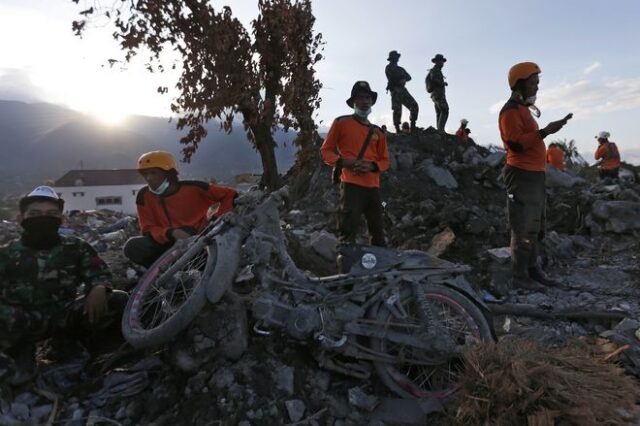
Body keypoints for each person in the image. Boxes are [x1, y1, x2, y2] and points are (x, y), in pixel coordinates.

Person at [0, 186, 127, 385]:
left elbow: (98, 273)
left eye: (51, 214)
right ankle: (21, 351)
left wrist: (98, 287)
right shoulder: (6, 254)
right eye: (35, 214)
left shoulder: (75, 247)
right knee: (18, 377)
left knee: (118, 300)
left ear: (61, 219)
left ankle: (75, 345)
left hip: (63, 316)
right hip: (21, 323)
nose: (43, 218)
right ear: (20, 219)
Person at [498, 62, 573, 291]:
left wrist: (547, 130)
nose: (537, 87)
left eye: (537, 83)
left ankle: (532, 270)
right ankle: (520, 276)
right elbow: (516, 145)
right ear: (520, 83)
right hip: (521, 175)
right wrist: (545, 131)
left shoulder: (522, 109)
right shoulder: (510, 111)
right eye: (533, 83)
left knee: (535, 225)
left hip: (534, 175)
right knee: (523, 225)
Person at [123, 151, 237, 268]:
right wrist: (170, 233)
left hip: (198, 243)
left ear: (168, 173)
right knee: (132, 246)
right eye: (145, 174)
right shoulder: (144, 196)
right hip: (167, 243)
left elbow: (230, 195)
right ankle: (166, 275)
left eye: (154, 173)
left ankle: (194, 271)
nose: (149, 178)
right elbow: (147, 229)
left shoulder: (194, 188)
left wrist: (215, 221)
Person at [320, 81, 390, 258]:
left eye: (367, 98)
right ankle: (345, 272)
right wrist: (344, 163)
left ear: (372, 102)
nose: (364, 101)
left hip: (373, 186)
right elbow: (326, 150)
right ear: (353, 102)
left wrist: (372, 166)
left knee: (378, 230)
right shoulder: (341, 123)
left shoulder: (378, 133)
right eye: (360, 98)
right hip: (351, 185)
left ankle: (377, 268)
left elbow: (385, 160)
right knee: (348, 229)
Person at [385, 50, 419, 134]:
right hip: (395, 90)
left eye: (397, 57)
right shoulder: (388, 67)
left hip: (403, 90)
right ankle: (397, 129)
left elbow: (409, 77)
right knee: (397, 109)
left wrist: (403, 78)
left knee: (414, 105)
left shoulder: (400, 69)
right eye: (395, 57)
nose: (397, 59)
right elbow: (390, 78)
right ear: (392, 58)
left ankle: (413, 126)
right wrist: (399, 79)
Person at [425, 54, 449, 132]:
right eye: (441, 61)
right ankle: (441, 130)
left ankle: (439, 130)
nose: (443, 63)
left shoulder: (437, 70)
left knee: (439, 112)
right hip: (438, 94)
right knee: (445, 109)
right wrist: (443, 83)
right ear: (437, 62)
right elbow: (434, 79)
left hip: (436, 95)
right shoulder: (435, 70)